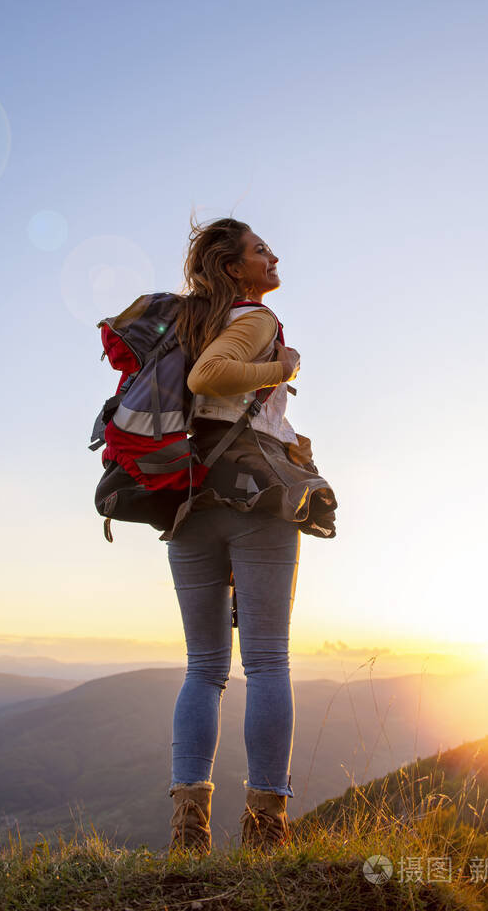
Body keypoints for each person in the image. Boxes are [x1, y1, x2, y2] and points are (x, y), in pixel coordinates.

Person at [164, 215, 337, 856]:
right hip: (253, 497)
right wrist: (279, 367)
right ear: (235, 268)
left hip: (188, 499)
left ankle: (188, 825)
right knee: (266, 662)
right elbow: (207, 378)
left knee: (204, 668)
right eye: (259, 251)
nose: (272, 256)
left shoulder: (192, 320)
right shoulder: (255, 320)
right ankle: (266, 829)